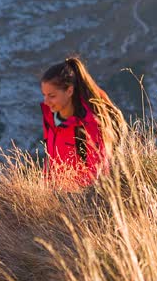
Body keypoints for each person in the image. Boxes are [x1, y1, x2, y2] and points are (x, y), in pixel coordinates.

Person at [39, 56, 127, 188]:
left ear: (69, 91)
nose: (46, 102)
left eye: (52, 96)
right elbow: (49, 159)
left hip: (81, 202)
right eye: (44, 95)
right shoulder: (50, 119)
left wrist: (69, 199)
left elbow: (98, 175)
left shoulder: (89, 125)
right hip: (54, 200)